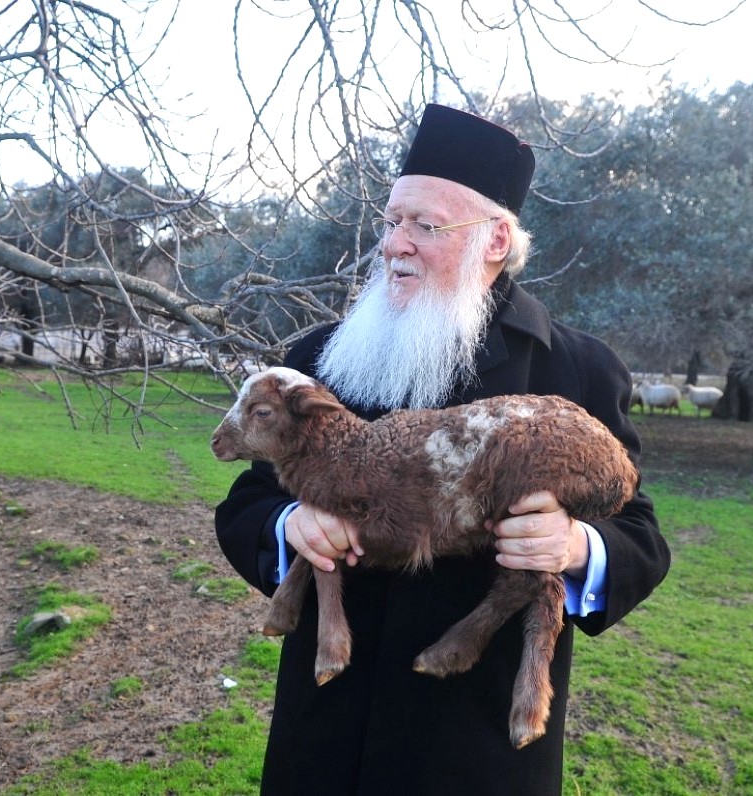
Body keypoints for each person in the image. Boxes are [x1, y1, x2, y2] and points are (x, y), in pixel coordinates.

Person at [215, 103, 670, 796]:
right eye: (391, 221)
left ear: (493, 241)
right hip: (327, 730)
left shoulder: (575, 369)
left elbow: (638, 534)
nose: (394, 243)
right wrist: (288, 524)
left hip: (470, 745)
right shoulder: (315, 360)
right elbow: (246, 502)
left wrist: (574, 546)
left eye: (425, 226)